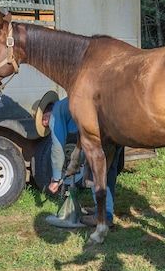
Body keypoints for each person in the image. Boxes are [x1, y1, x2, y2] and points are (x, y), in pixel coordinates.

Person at [44, 97, 123, 227]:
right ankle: (105, 210)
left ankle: (103, 216)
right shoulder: (67, 103)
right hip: (115, 127)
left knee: (95, 171)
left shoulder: (56, 113)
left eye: (43, 121)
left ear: (46, 114)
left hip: (101, 134)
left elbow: (57, 147)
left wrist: (56, 178)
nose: (45, 124)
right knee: (109, 170)